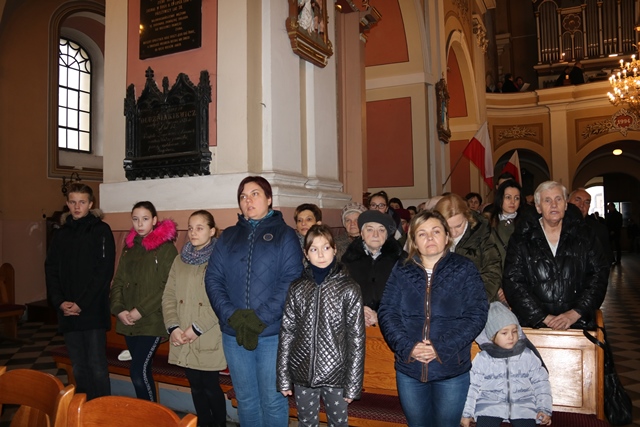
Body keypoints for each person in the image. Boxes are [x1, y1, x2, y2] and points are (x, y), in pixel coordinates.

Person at [205, 176, 303, 427]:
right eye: (243, 196)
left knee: (273, 399)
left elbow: (291, 279)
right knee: (246, 399)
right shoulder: (228, 236)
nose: (248, 200)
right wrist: (232, 315)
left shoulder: (285, 235)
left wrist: (259, 318)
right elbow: (213, 278)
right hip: (234, 331)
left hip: (272, 333)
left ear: (269, 199)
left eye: (255, 194)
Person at [378, 211, 488, 427]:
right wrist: (409, 347)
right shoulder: (402, 269)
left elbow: (476, 314)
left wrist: (440, 347)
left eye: (436, 231)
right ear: (414, 241)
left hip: (450, 369)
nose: (429, 238)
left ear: (447, 237)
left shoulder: (464, 268)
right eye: (422, 233)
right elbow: (388, 312)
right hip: (410, 368)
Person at [277, 224, 365, 427]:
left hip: (337, 374)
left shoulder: (349, 288)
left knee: (338, 423)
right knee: (306, 422)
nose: (320, 254)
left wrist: (352, 383)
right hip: (303, 372)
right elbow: (287, 333)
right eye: (314, 249)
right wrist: (283, 377)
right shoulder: (297, 288)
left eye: (326, 247)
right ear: (306, 254)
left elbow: (356, 339)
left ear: (335, 249)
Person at [503, 181, 610, 330]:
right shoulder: (521, 238)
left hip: (578, 324)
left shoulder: (585, 235)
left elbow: (599, 276)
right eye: (547, 200)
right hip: (534, 325)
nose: (554, 205)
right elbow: (513, 282)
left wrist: (575, 313)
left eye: (558, 199)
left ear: (565, 205)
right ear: (538, 207)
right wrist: (542, 317)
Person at [45, 183, 115, 401]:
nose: (77, 207)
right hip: (67, 310)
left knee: (97, 366)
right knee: (78, 366)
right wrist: (59, 302)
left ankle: (101, 410)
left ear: (90, 204)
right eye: (73, 202)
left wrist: (81, 303)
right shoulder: (61, 234)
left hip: (92, 309)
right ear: (67, 204)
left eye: (82, 202)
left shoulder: (101, 230)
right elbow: (51, 269)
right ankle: (82, 410)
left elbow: (103, 272)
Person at [162, 210, 227, 427]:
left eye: (200, 228)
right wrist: (173, 327)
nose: (193, 232)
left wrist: (196, 328)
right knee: (196, 386)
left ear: (212, 231)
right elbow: (169, 296)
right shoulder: (179, 260)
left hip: (207, 334)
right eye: (190, 228)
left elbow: (222, 300)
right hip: (182, 333)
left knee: (210, 386)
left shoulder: (220, 259)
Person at [110, 201, 178, 402]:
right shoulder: (129, 248)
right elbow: (118, 280)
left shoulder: (166, 249)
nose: (140, 224)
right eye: (136, 219)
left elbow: (168, 286)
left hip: (153, 320)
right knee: (142, 372)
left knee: (137, 371)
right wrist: (118, 309)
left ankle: (151, 415)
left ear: (154, 220)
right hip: (129, 320)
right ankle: (147, 412)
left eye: (145, 219)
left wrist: (140, 310)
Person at [461, 302, 552, 427]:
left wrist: (544, 408)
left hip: (523, 407)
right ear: (492, 336)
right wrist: (466, 414)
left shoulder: (527, 355)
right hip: (489, 406)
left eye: (514, 331)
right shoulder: (483, 358)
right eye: (504, 333)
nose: (511, 337)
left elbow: (541, 382)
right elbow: (472, 387)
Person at [434, 194, 502, 302]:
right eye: (448, 227)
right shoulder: (432, 237)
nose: (453, 233)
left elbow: (493, 271)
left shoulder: (482, 232)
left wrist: (474, 300)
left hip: (479, 299)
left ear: (466, 216)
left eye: (458, 226)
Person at [341, 210, 404, 327]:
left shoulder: (401, 260)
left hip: (392, 325)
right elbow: (341, 296)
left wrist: (381, 315)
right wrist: (358, 311)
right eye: (370, 230)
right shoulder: (347, 260)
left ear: (387, 235)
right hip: (355, 325)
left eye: (381, 230)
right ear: (362, 233)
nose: (375, 235)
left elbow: (408, 298)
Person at [568, 188, 613, 264]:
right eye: (577, 200)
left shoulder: (599, 230)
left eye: (586, 202)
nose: (581, 205)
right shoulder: (555, 226)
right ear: (567, 202)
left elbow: (606, 259)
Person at [488, 180, 524, 265]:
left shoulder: (525, 224)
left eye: (516, 198)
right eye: (508, 197)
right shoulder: (488, 223)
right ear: (500, 198)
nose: (512, 202)